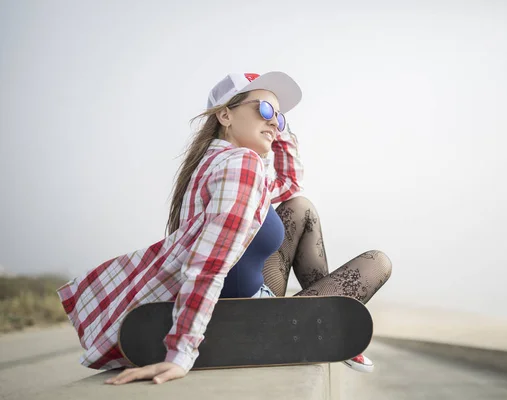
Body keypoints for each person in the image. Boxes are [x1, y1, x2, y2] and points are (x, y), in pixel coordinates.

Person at [57, 71, 392, 385]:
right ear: (225, 115)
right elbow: (209, 261)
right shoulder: (241, 165)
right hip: (240, 310)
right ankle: (326, 326)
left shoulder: (219, 162)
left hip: (246, 294)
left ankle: (325, 320)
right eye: (263, 109)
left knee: (301, 208)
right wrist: (182, 350)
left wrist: (275, 125)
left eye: (279, 116)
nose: (273, 122)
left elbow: (290, 185)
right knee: (378, 262)